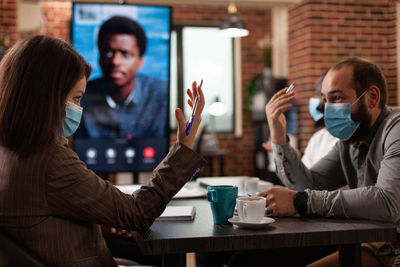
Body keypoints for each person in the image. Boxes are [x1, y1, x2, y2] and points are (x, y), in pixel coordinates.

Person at [0, 35, 205, 267]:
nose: (79, 108)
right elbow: (137, 212)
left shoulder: (8, 152)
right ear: (46, 96)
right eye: (76, 98)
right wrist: (183, 147)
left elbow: (45, 222)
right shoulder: (50, 161)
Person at [258, 57, 400, 266]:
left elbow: (387, 202)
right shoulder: (349, 140)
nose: (327, 110)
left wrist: (301, 201)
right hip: (378, 245)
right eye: (325, 100)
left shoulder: (395, 129)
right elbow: (307, 185)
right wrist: (279, 138)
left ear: (372, 97)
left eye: (336, 98)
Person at [76, 16, 168, 139]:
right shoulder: (82, 95)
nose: (115, 61)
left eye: (125, 54)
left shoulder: (162, 94)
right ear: (99, 57)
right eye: (108, 52)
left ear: (140, 61)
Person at [302, 71, 338, 169]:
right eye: (320, 95)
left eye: (336, 98)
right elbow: (304, 175)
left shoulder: (351, 140)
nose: (316, 99)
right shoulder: (318, 137)